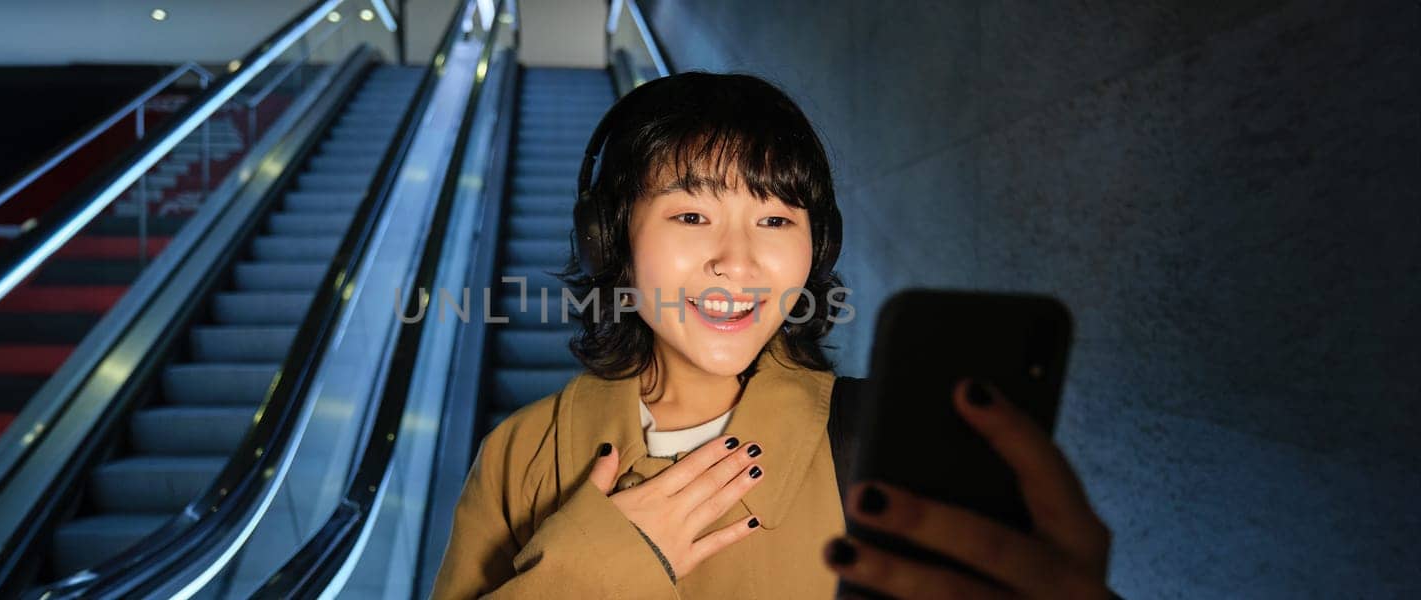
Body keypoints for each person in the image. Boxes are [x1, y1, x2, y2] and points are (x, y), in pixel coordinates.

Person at [430, 71, 1114, 599]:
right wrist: (588, 570)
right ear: (613, 240)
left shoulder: (885, 443)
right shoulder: (521, 455)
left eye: (777, 220)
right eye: (692, 216)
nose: (739, 260)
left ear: (817, 248)